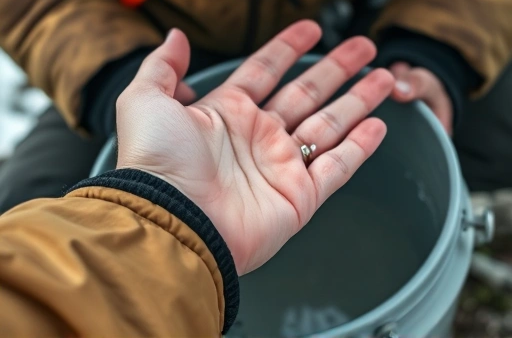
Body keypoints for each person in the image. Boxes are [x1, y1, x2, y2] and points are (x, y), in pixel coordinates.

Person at [1, 0, 512, 212]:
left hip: (368, 17)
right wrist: (116, 80)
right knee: (34, 215)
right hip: (153, 44)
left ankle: (374, 214)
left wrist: (438, 51)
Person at [0, 22, 394, 335]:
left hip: (352, 16)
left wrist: (431, 45)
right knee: (22, 191)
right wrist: (108, 74)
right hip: (122, 38)